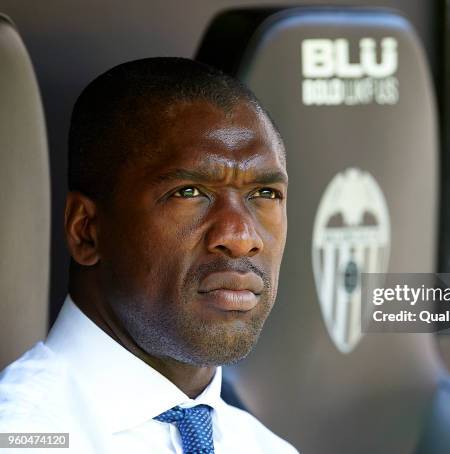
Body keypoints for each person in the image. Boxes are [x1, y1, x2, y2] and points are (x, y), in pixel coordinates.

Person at [0, 57, 296, 453]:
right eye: (189, 192)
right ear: (86, 230)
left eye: (264, 194)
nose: (241, 237)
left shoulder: (265, 448)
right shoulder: (23, 435)